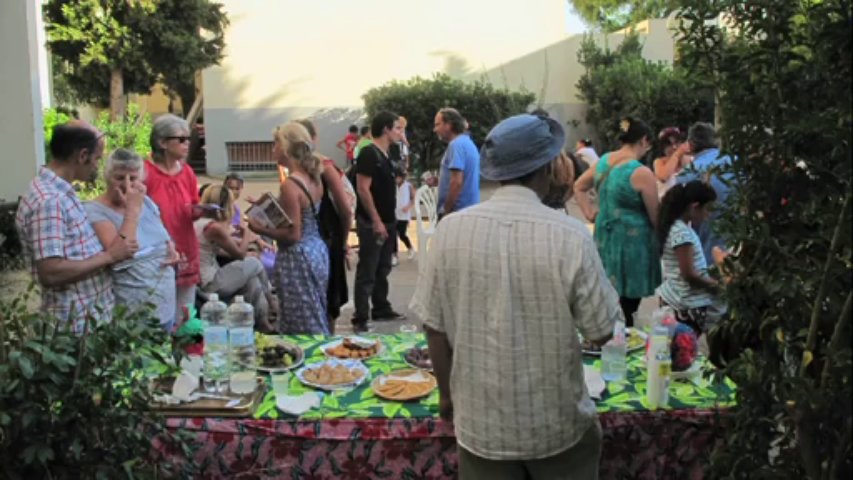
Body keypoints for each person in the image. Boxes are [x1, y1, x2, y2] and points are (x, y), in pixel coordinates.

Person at [410, 114, 621, 480]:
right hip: (556, 427)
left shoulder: (450, 231)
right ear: (547, 167)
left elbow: (435, 327)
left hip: (482, 430)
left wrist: (446, 396)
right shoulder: (570, 236)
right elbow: (602, 331)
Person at [16, 122, 137, 331]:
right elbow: (51, 272)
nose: (97, 166)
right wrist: (109, 256)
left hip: (88, 322)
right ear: (82, 156)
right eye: (97, 158)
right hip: (75, 327)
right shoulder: (50, 201)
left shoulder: (61, 192)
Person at [574, 117, 661, 325]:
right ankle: (623, 335)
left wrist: (589, 213)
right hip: (632, 246)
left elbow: (579, 186)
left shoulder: (603, 161)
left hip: (604, 239)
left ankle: (608, 334)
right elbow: (655, 216)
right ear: (643, 140)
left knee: (607, 297)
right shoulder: (641, 172)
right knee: (627, 305)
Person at [248, 121, 330, 334]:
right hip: (316, 249)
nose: (272, 149)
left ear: (286, 147)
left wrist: (260, 229)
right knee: (315, 310)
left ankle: (310, 353)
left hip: (297, 257)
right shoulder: (313, 178)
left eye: (275, 143)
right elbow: (302, 215)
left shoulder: (290, 184)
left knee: (301, 321)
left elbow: (293, 234)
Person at [84, 149, 180, 330]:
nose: (127, 184)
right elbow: (120, 252)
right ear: (107, 177)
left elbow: (160, 234)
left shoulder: (146, 202)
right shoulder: (95, 210)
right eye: (119, 178)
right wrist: (132, 210)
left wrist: (171, 248)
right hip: (133, 313)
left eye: (133, 178)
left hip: (165, 305)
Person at [295, 118, 354, 335]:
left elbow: (345, 208)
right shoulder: (296, 169)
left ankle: (329, 342)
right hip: (313, 239)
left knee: (329, 298)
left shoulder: (324, 166)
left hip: (327, 236)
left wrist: (343, 241)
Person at [145, 114, 203, 325]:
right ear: (162, 142)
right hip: (159, 255)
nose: (187, 143)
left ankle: (186, 346)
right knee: (159, 316)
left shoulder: (187, 172)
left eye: (188, 138)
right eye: (181, 139)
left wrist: (203, 211)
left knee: (185, 318)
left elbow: (192, 207)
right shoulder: (145, 173)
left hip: (186, 249)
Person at [351, 111, 406, 333]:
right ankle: (361, 316)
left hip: (389, 219)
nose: (400, 133)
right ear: (385, 129)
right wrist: (376, 220)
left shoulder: (386, 153)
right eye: (397, 128)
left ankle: (381, 307)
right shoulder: (368, 153)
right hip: (373, 222)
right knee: (368, 269)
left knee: (383, 267)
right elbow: (363, 188)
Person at [196, 184, 274, 332]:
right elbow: (239, 253)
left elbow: (223, 247)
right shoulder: (213, 227)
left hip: (211, 276)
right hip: (210, 283)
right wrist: (246, 233)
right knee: (254, 263)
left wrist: (252, 240)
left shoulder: (202, 222)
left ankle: (263, 323)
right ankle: (272, 303)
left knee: (252, 281)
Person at [656, 180, 722, 334]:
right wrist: (716, 286)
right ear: (694, 207)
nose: (708, 215)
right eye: (707, 210)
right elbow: (689, 274)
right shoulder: (682, 233)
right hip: (686, 304)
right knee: (683, 345)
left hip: (678, 298)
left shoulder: (677, 227)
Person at [677, 122, 733, 263]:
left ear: (690, 145)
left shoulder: (688, 173)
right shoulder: (736, 163)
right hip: (739, 247)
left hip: (706, 253)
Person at [223, 172, 276, 277]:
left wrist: (259, 241)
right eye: (230, 188)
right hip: (235, 247)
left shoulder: (236, 207)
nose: (233, 192)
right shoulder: (223, 207)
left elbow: (244, 227)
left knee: (274, 256)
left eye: (237, 189)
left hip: (246, 242)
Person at [434, 107, 480, 217]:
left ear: (448, 125)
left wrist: (445, 210)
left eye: (437, 124)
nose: (435, 129)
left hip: (457, 213)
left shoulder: (456, 145)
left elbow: (456, 182)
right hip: (470, 210)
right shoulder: (467, 143)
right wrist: (440, 180)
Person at [653, 127, 693, 198]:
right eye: (669, 144)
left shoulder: (690, 159)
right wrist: (676, 154)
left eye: (676, 142)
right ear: (663, 148)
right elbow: (663, 177)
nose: (674, 147)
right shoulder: (659, 162)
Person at [392, 169, 416, 265]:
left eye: (398, 177)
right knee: (393, 234)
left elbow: (413, 198)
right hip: (395, 213)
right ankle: (394, 255)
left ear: (402, 177)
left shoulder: (408, 186)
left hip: (404, 215)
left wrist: (408, 207)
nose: (396, 179)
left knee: (402, 234)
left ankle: (410, 248)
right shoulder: (393, 186)